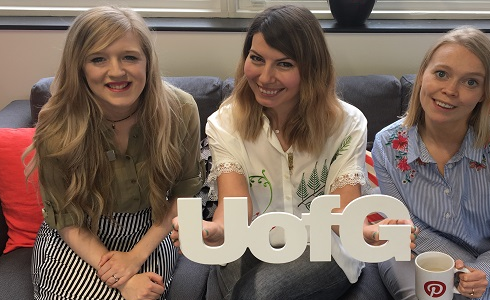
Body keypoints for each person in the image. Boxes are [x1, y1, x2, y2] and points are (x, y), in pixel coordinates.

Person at [170, 5, 416, 300]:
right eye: (256, 59)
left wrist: (367, 233)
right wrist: (213, 232)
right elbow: (234, 207)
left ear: (311, 69)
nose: (264, 77)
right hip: (251, 241)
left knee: (255, 295)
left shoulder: (346, 124)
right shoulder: (225, 123)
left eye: (284, 64)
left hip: (324, 247)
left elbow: (341, 211)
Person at [25, 6, 203, 300]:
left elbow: (185, 192)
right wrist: (122, 280)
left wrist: (134, 257)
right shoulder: (57, 123)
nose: (117, 71)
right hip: (79, 235)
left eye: (129, 57)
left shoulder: (181, 109)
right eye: (98, 59)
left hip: (151, 229)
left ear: (147, 61)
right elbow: (66, 218)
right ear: (79, 67)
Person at [371, 26, 490, 300]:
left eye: (470, 82)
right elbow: (410, 230)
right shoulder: (387, 145)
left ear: (486, 92)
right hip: (414, 252)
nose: (450, 90)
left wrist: (481, 275)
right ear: (423, 75)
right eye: (441, 74)